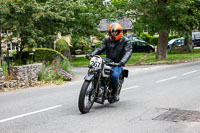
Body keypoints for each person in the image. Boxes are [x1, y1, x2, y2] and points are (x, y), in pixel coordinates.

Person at [86, 23, 132, 101]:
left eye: (115, 32)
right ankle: (94, 87)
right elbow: (101, 48)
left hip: (117, 63)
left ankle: (115, 92)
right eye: (112, 32)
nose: (113, 33)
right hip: (107, 62)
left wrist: (122, 61)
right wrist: (92, 54)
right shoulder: (107, 39)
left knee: (114, 76)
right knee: (95, 71)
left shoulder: (126, 41)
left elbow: (128, 52)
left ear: (119, 32)